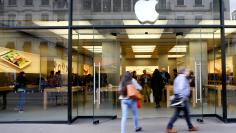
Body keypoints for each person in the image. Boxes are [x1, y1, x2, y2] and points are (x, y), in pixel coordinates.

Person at [166, 67, 198, 133]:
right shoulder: (182, 78)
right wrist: (182, 98)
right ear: (183, 72)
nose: (187, 72)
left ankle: (190, 127)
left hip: (181, 97)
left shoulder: (179, 78)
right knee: (178, 114)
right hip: (181, 98)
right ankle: (169, 127)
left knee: (186, 113)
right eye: (186, 71)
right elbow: (180, 88)